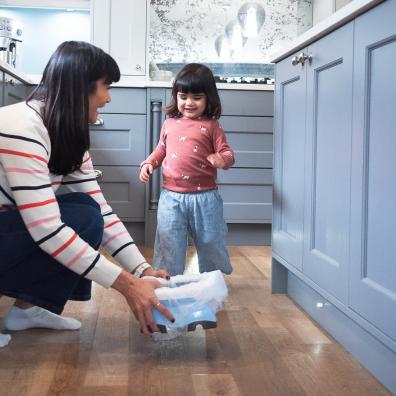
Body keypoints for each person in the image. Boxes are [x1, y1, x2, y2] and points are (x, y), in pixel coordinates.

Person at [0, 41, 174, 348]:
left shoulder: (65, 133)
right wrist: (127, 285)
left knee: (86, 212)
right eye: (105, 86)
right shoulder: (21, 126)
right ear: (80, 87)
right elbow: (46, 229)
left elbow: (102, 214)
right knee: (71, 220)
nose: (107, 98)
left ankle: (27, 311)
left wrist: (142, 269)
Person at [139, 63, 235, 276]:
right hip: (171, 197)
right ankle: (167, 280)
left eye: (197, 97)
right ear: (176, 96)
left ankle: (213, 280)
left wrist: (221, 160)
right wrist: (148, 163)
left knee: (211, 240)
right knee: (168, 240)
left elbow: (228, 154)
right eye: (183, 97)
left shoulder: (213, 126)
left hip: (206, 198)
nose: (189, 103)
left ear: (209, 98)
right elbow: (160, 150)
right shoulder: (169, 123)